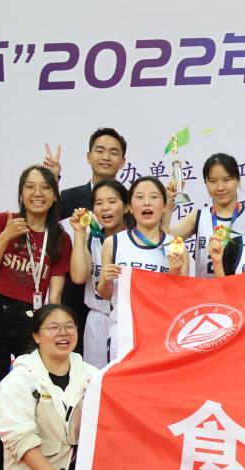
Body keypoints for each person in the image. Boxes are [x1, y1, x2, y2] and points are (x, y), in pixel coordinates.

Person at [0, 165, 72, 470]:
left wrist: (52, 332)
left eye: (44, 187)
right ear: (21, 192)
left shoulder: (60, 239)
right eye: (30, 187)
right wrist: (5, 237)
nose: (37, 193)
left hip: (32, 321)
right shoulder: (3, 222)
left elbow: (55, 295)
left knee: (40, 403)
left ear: (54, 195)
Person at [0, 304, 96, 470]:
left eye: (69, 326)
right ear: (36, 335)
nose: (63, 333)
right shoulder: (17, 382)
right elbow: (20, 441)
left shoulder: (90, 374)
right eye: (53, 328)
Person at [97, 177, 190, 360]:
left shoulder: (176, 246)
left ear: (165, 206)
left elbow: (182, 299)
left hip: (162, 333)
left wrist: (174, 273)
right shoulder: (113, 243)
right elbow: (105, 294)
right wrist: (106, 280)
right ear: (130, 207)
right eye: (139, 197)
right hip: (124, 332)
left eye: (154, 197)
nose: (147, 203)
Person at [56, 129, 128, 354]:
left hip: (120, 308)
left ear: (123, 161)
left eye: (113, 152)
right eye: (100, 150)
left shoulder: (131, 203)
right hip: (75, 299)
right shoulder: (68, 198)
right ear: (88, 157)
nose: (106, 157)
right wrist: (51, 180)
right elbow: (39, 223)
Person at [68, 180, 128, 368]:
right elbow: (78, 277)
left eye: (112, 201)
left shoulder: (135, 239)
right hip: (96, 319)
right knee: (94, 378)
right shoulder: (90, 237)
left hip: (127, 321)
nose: (105, 207)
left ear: (127, 207)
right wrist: (79, 233)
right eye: (99, 203)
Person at [166, 153, 245, 278]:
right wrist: (169, 204)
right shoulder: (199, 217)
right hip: (204, 290)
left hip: (241, 290)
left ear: (238, 180)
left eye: (226, 180)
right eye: (213, 181)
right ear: (205, 183)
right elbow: (163, 238)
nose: (220, 187)